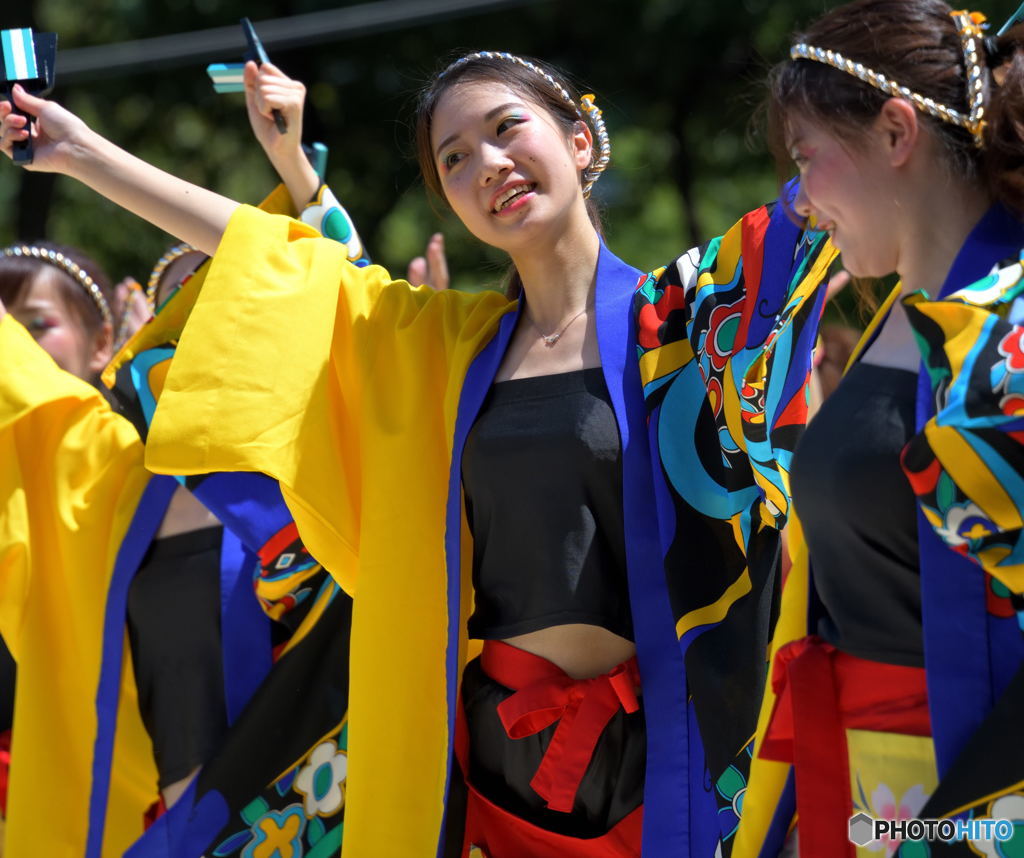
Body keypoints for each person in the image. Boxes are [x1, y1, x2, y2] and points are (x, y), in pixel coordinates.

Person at [0, 51, 837, 857]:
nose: (490, 164)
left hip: (674, 757)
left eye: (510, 129)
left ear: (581, 140)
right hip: (498, 767)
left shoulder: (687, 319)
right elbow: (275, 259)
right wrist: (81, 154)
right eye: (457, 158)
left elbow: (835, 182)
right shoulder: (441, 354)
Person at [725, 2, 1024, 856]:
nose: (800, 202)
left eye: (807, 159)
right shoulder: (900, 313)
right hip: (870, 796)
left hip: (983, 792)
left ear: (897, 133)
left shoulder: (1011, 330)